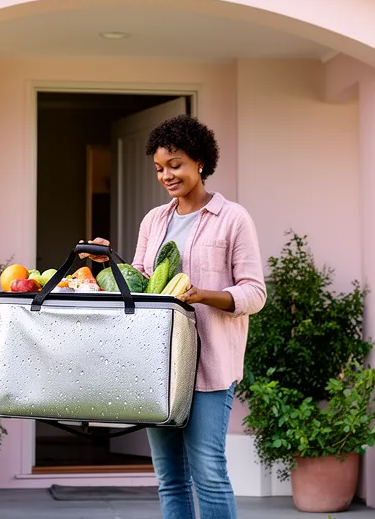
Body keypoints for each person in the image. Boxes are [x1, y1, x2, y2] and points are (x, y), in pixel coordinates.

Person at [82, 114, 266, 519]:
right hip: (157, 366)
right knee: (169, 477)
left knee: (209, 473)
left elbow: (255, 293)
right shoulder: (154, 220)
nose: (167, 175)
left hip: (209, 366)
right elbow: (143, 286)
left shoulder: (232, 218)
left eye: (176, 164)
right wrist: (106, 262)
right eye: (160, 168)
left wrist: (204, 296)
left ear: (200, 161)